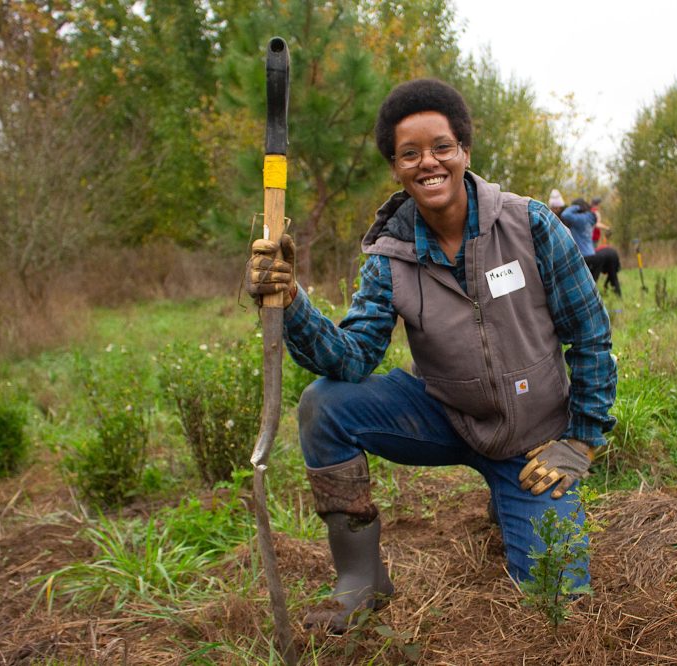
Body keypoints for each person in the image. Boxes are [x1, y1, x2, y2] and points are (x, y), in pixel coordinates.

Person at [246, 78, 617, 633]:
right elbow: (352, 359)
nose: (429, 163)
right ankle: (361, 579)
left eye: (442, 147)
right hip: (447, 417)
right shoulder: (389, 256)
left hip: (535, 445)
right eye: (409, 153)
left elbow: (589, 333)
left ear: (465, 150)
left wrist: (582, 440)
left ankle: (511, 500)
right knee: (326, 405)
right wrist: (291, 301)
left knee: (557, 600)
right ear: (395, 167)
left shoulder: (530, 224)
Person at [560, 198, 599, 273]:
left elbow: (565, 214)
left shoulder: (579, 219)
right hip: (591, 253)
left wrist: (577, 206)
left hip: (582, 255)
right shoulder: (589, 217)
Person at [592, 228, 622, 297]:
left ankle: (591, 295)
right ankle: (619, 296)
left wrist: (605, 284)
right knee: (613, 277)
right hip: (613, 253)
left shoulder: (594, 253)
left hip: (601, 255)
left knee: (594, 278)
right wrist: (606, 285)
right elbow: (612, 273)